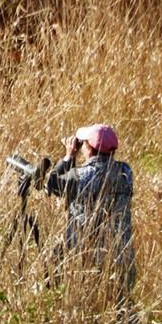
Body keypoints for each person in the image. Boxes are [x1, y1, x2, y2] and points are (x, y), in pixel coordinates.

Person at [43, 123, 136, 298]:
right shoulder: (126, 172)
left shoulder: (82, 176)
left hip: (86, 257)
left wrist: (69, 155)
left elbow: (52, 186)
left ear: (89, 148)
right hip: (121, 255)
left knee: (53, 266)